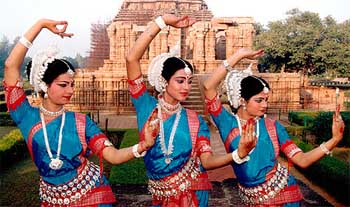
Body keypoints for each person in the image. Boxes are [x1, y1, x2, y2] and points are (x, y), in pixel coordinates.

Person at [3, 19, 156, 206]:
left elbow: (112, 156)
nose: (70, 91)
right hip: (51, 199)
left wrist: (143, 145)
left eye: (72, 85)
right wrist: (41, 24)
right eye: (63, 85)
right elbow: (11, 66)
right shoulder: (26, 115)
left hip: (92, 195)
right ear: (44, 85)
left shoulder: (81, 122)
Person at [203, 48, 345, 206]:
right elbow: (208, 86)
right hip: (251, 198)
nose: (265, 105)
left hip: (283, 195)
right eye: (259, 100)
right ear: (243, 100)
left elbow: (302, 160)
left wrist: (334, 139)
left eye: (266, 100)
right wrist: (239, 55)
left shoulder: (272, 127)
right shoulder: (226, 122)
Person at [125, 14, 237, 207]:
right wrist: (162, 22)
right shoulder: (146, 106)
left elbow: (207, 161)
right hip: (160, 196)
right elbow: (131, 58)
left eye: (189, 81)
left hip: (193, 194)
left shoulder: (196, 120)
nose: (186, 87)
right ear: (164, 81)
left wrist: (237, 154)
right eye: (180, 81)